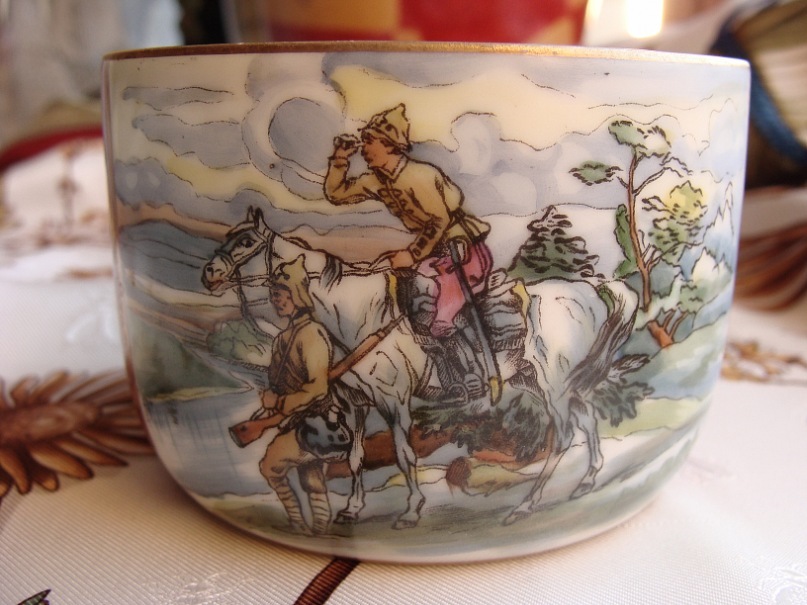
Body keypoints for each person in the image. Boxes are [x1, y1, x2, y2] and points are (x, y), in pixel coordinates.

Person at [324, 104, 494, 394]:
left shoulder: (418, 176)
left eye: (369, 141)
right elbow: (336, 194)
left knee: (442, 316)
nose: (364, 149)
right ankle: (444, 376)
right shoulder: (376, 180)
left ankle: (473, 375)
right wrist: (340, 159)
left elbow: (439, 221)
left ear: (389, 145)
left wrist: (412, 254)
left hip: (462, 249)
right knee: (412, 309)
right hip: (433, 253)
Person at [258, 255, 340, 535]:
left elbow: (318, 388)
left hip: (314, 422)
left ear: (296, 294)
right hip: (298, 421)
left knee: (270, 467)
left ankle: (296, 523)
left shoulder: (312, 334)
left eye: (281, 294)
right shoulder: (285, 336)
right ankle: (319, 529)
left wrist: (279, 402)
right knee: (312, 479)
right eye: (273, 295)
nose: (276, 300)